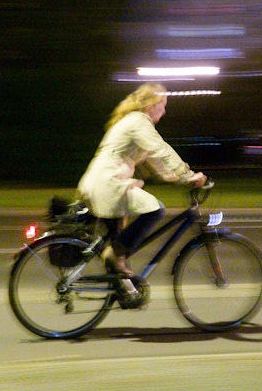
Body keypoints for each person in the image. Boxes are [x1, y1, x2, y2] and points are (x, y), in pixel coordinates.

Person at [77, 83, 206, 278]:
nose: (164, 110)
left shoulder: (135, 123)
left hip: (103, 181)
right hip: (108, 182)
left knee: (120, 245)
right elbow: (161, 149)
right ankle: (114, 256)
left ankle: (125, 289)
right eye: (162, 104)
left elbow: (159, 168)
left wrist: (184, 179)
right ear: (150, 105)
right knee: (155, 210)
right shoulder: (138, 122)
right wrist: (188, 175)